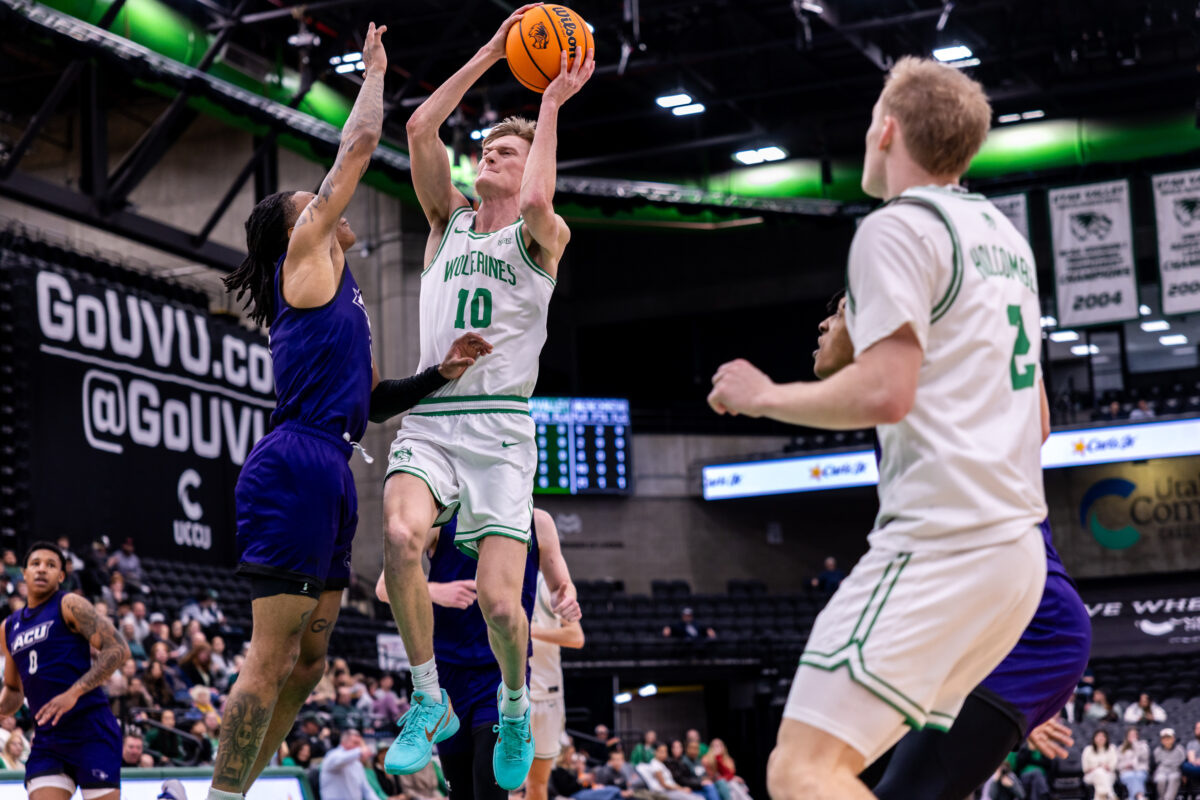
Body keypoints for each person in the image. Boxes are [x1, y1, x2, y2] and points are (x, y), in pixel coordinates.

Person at [710, 57, 1056, 800]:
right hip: (1017, 555)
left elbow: (887, 393)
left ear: (887, 128)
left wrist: (766, 393)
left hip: (944, 545)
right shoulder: (1005, 239)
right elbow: (1039, 419)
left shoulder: (897, 228)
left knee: (801, 771)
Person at [208, 22, 490, 800]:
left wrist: (440, 374)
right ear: (299, 228)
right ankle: (221, 796)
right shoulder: (304, 262)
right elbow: (360, 147)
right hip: (295, 463)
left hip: (333, 464)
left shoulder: (348, 300)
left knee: (312, 662)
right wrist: (374, 74)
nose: (324, 202)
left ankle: (243, 787)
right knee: (271, 658)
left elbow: (368, 402)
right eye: (312, 201)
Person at [379, 5, 593, 790]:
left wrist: (547, 103)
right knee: (401, 539)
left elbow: (538, 200)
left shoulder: (543, 237)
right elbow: (418, 132)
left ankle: (510, 702)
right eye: (486, 150)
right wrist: (491, 51)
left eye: (506, 151)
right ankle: (427, 695)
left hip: (503, 430)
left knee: (506, 610)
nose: (488, 157)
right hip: (435, 419)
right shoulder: (447, 224)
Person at [808, 290, 1089, 800]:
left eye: (841, 310)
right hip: (989, 637)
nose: (824, 325)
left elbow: (1035, 426)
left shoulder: (921, 380)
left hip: (1024, 627)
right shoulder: (892, 401)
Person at [375, 509, 581, 800]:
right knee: (461, 792)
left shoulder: (538, 520)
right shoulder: (441, 516)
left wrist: (566, 596)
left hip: (502, 673)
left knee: (491, 789)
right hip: (448, 673)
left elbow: (562, 585)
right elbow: (385, 586)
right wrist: (434, 590)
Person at [0, 541, 129, 800]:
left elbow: (118, 649)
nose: (41, 569)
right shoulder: (9, 627)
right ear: (23, 573)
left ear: (61, 576)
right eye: (35, 564)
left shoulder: (69, 604)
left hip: (91, 729)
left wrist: (74, 692)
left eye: (50, 565)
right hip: (48, 739)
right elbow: (14, 690)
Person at [528, 512, 587, 800]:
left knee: (538, 784)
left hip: (548, 695)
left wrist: (527, 631)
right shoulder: (494, 577)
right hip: (505, 691)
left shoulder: (547, 584)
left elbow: (576, 637)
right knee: (496, 782)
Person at [319, 729, 375, 800]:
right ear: (343, 742)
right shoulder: (332, 756)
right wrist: (359, 752)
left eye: (359, 743)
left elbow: (366, 790)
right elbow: (339, 760)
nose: (358, 746)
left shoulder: (357, 764)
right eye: (355, 743)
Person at [1082, 729, 1119, 800]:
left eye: (1103, 736)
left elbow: (1113, 767)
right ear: (1094, 738)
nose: (1101, 738)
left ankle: (1102, 797)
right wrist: (1098, 767)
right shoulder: (1088, 749)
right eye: (1098, 736)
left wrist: (1103, 767)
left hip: (1109, 775)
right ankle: (1111, 794)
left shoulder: (1112, 748)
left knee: (1101, 775)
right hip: (1090, 776)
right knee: (1099, 772)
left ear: (1106, 738)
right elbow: (1085, 769)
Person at [1117, 726, 1150, 800]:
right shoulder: (1121, 748)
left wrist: (1135, 744)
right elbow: (1117, 765)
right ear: (1127, 736)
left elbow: (1144, 757)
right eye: (1131, 735)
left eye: (1134, 735)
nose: (1133, 737)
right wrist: (1125, 765)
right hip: (1126, 771)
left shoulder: (1143, 746)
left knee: (1138, 776)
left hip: (1140, 770)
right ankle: (1140, 796)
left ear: (1138, 736)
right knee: (1130, 776)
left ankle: (1132, 797)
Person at [1156, 728, 1185, 800]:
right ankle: (1162, 798)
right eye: (1164, 738)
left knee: (1173, 778)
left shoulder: (1179, 749)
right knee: (1160, 778)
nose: (1166, 740)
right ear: (1161, 740)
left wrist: (1184, 774)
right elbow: (1157, 763)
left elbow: (1183, 763)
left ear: (1173, 739)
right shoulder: (1157, 750)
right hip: (1162, 771)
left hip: (1175, 770)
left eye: (1168, 738)